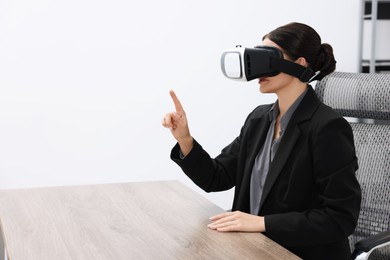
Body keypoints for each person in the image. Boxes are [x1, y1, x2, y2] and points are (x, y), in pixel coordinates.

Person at [162, 22, 361, 260]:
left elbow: (339, 218)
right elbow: (217, 177)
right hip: (252, 249)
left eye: (267, 59)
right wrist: (184, 138)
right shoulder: (259, 119)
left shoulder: (327, 127)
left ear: (300, 64)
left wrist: (261, 223)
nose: (257, 71)